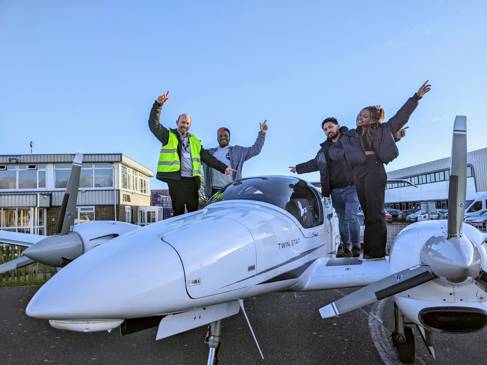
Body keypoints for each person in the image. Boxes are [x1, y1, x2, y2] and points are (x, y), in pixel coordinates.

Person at [352, 81, 431, 259]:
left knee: (376, 213)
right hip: (358, 172)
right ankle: (370, 253)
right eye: (359, 115)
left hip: (374, 169)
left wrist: (416, 97)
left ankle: (377, 253)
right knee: (367, 214)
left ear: (373, 117)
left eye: (364, 115)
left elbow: (402, 116)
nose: (360, 118)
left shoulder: (383, 128)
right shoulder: (353, 134)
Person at [148, 91, 235, 216]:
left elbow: (208, 158)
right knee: (178, 212)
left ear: (190, 125)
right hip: (176, 180)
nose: (185, 125)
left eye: (187, 123)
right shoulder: (168, 136)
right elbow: (153, 125)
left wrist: (224, 168)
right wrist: (158, 105)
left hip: (191, 182)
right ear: (177, 122)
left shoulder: (194, 141)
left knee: (194, 213)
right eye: (183, 122)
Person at [290, 117, 365, 257]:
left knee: (352, 217)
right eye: (325, 129)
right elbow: (315, 163)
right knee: (342, 219)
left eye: (330, 127)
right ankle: (346, 246)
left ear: (338, 126)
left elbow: (368, 142)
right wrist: (298, 168)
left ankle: (356, 245)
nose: (328, 130)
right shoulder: (325, 149)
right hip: (335, 190)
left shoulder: (351, 138)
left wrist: (394, 138)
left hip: (352, 187)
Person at [204, 121, 268, 197]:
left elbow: (255, 150)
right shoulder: (210, 152)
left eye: (226, 135)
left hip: (231, 189)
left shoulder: (237, 151)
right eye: (220, 136)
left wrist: (262, 134)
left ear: (229, 137)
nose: (223, 137)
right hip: (214, 191)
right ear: (217, 138)